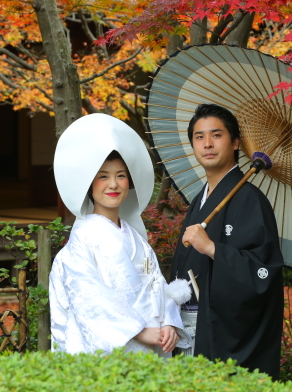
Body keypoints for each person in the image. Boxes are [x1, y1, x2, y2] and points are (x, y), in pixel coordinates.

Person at [49, 113, 192, 355]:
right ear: (89, 184)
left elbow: (157, 283)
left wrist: (169, 322)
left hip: (152, 342)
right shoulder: (84, 237)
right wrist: (139, 331)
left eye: (121, 176)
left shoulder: (136, 238)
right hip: (119, 346)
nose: (113, 184)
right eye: (103, 176)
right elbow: (88, 296)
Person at [170, 103, 284, 378]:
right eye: (199, 137)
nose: (207, 144)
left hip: (222, 332)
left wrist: (211, 248)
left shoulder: (251, 200)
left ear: (235, 143)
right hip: (188, 327)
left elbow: (264, 271)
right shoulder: (201, 199)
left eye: (216, 135)